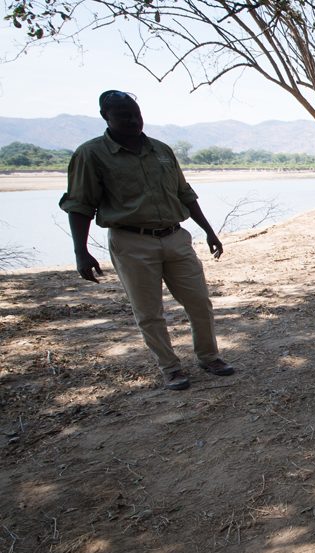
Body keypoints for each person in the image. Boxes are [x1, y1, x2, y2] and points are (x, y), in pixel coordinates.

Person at [59, 90, 235, 391]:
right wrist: (81, 251)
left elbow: (185, 194)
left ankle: (209, 357)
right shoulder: (91, 154)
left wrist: (208, 230)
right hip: (132, 242)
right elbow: (80, 205)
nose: (132, 120)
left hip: (175, 236)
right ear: (106, 117)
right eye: (123, 115)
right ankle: (170, 367)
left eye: (136, 113)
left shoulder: (161, 150)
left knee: (200, 303)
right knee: (149, 312)